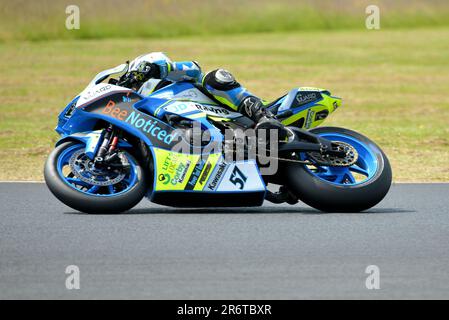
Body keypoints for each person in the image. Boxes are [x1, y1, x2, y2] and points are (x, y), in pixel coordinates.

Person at [120, 52, 286, 136]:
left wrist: (159, 68)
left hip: (239, 115)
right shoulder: (149, 114)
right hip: (222, 141)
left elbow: (194, 69)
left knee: (214, 78)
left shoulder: (178, 83)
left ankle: (265, 117)